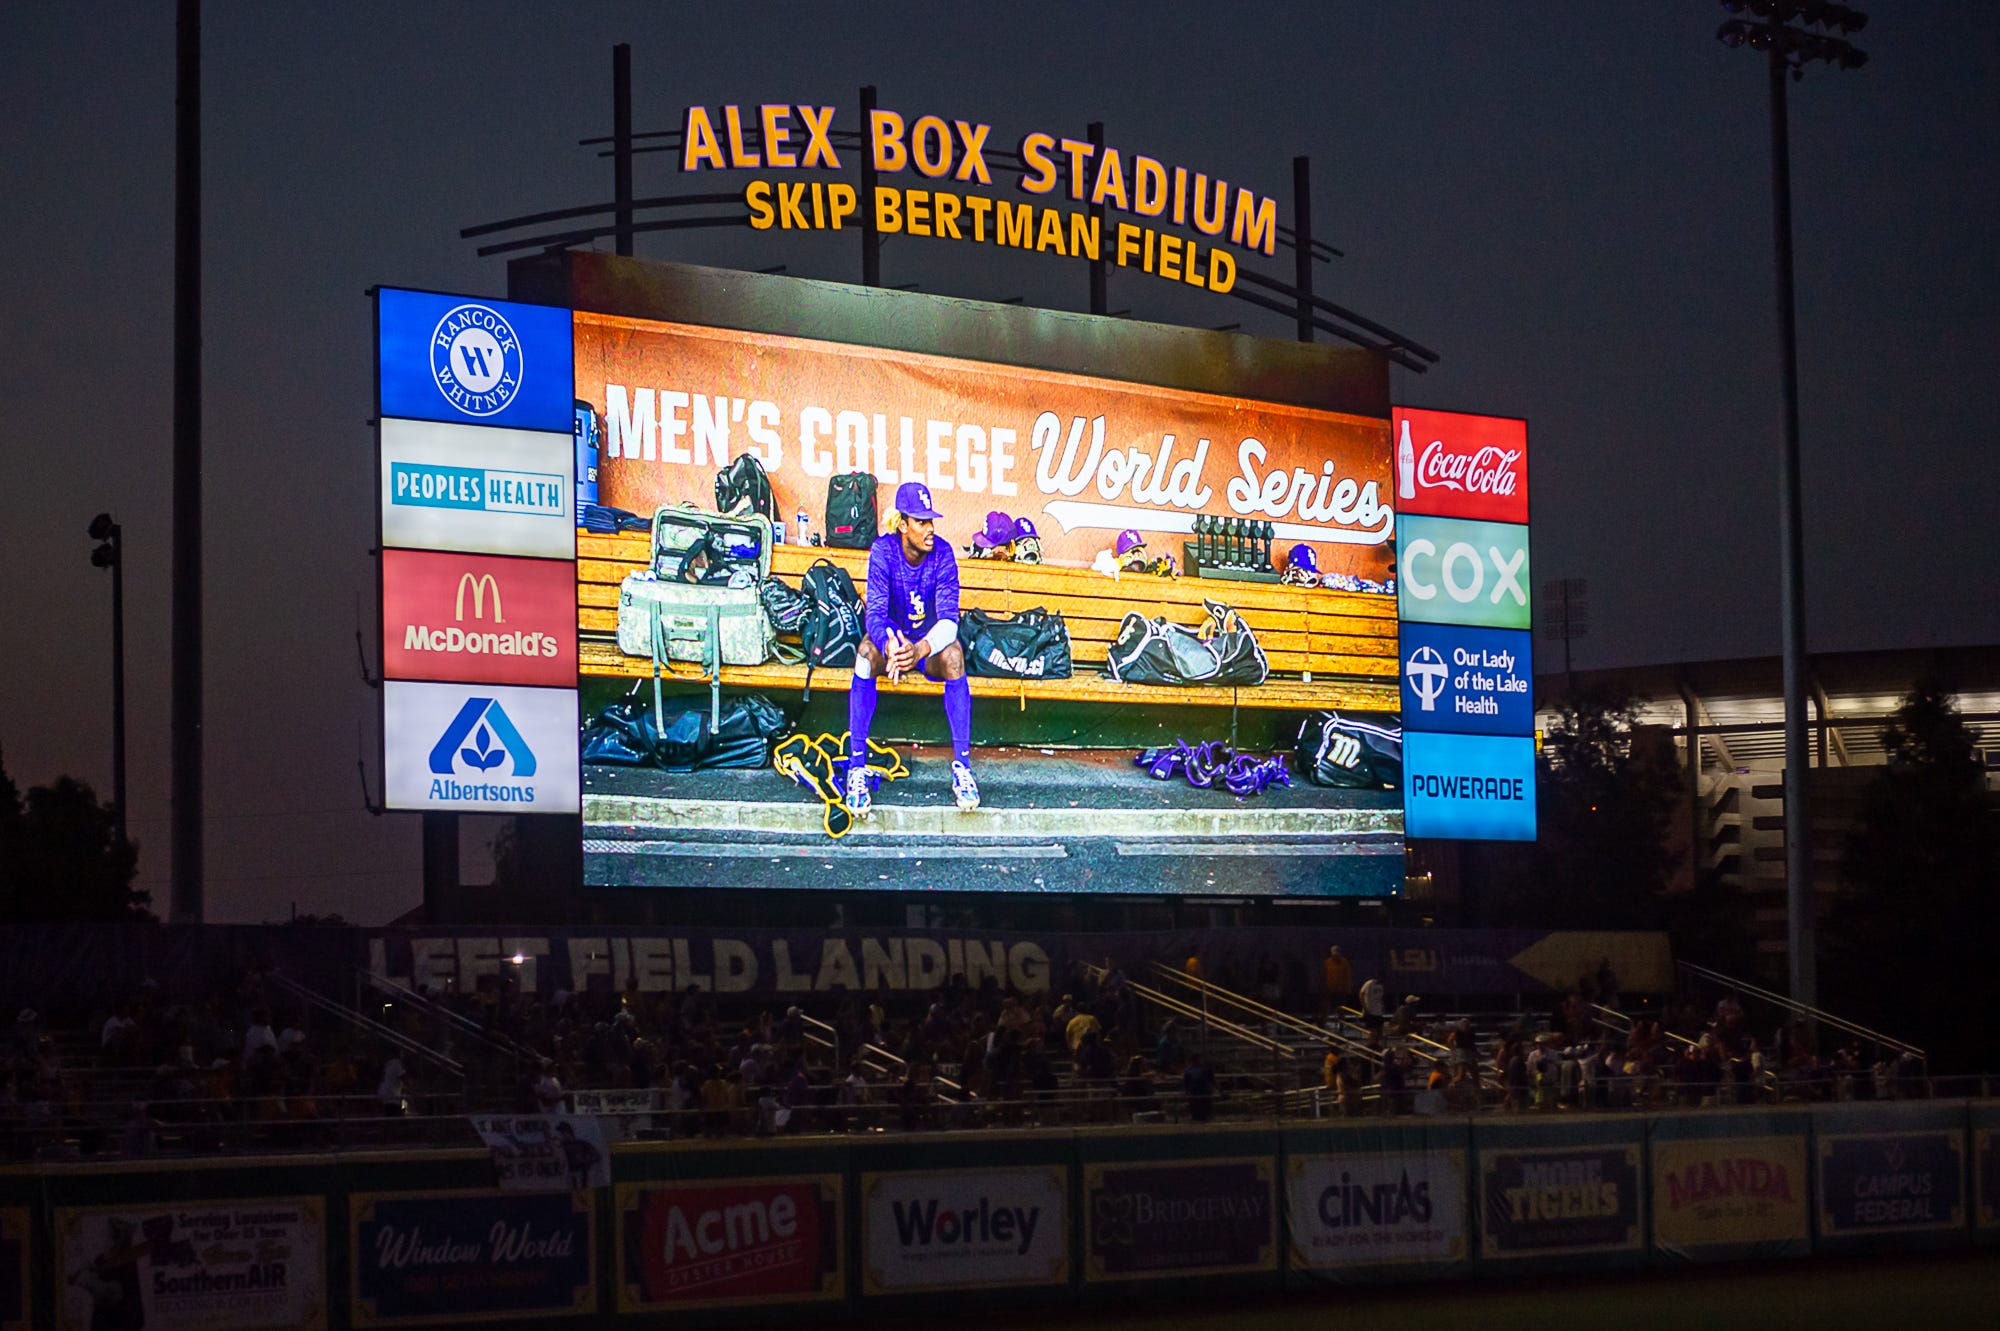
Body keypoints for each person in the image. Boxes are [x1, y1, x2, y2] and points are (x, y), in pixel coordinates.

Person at [845, 481, 980, 815]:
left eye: (931, 520)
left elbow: (950, 621)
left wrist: (919, 649)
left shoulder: (944, 553)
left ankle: (962, 769)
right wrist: (890, 643)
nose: (930, 528)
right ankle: (856, 768)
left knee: (954, 656)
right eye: (921, 521)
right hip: (892, 644)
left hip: (926, 646)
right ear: (903, 525)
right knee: (864, 657)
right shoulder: (883, 550)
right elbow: (873, 614)